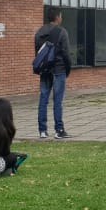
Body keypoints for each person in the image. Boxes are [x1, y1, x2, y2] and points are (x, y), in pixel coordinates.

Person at [35, 8, 73, 139]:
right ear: (57, 17)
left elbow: (38, 53)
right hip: (59, 69)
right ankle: (59, 130)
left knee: (43, 99)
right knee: (57, 100)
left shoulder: (39, 32)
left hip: (44, 70)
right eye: (61, 16)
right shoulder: (62, 31)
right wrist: (68, 68)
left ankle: (42, 131)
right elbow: (66, 53)